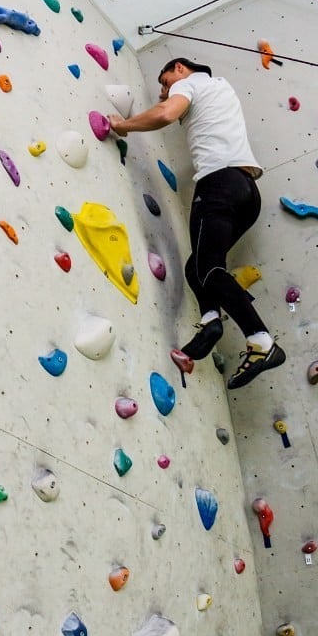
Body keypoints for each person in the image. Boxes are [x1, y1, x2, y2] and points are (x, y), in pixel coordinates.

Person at [108, 57, 285, 390]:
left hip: (218, 185)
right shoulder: (221, 88)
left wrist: (124, 125)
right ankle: (211, 321)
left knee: (209, 271)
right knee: (198, 268)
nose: (164, 91)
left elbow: (165, 114)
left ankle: (261, 341)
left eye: (164, 82)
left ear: (179, 68)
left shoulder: (188, 83)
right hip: (247, 191)